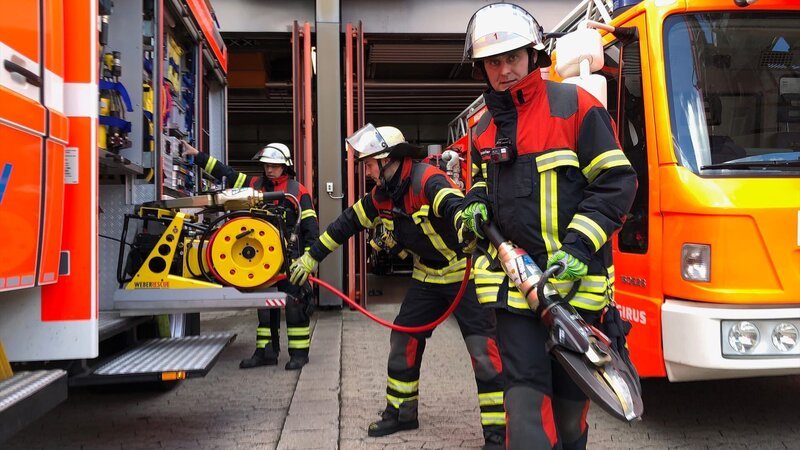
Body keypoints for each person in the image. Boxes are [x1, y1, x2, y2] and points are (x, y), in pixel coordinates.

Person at [459, 3, 638, 450]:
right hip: (514, 290)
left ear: (533, 55)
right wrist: (476, 204)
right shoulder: (483, 129)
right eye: (493, 62)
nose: (504, 70)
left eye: (512, 58)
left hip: (575, 290)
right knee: (524, 404)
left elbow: (617, 183)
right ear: (483, 68)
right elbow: (483, 184)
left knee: (570, 413)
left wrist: (578, 248)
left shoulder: (576, 107)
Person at [288, 124, 506, 449]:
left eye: (371, 164)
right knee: (403, 339)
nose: (368, 172)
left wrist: (464, 219)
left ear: (390, 160)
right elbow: (344, 225)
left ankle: (498, 434)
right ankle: (402, 413)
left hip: (466, 275)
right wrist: (310, 258)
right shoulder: (380, 197)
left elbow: (451, 203)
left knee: (484, 353)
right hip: (427, 278)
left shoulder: (427, 180)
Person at [182, 141, 319, 371]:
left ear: (285, 166)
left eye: (274, 165)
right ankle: (266, 353)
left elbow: (310, 228)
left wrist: (308, 260)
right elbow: (226, 173)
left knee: (296, 306)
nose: (269, 170)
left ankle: (299, 354)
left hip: (290, 260)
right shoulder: (253, 185)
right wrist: (198, 156)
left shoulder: (298, 191)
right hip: (261, 260)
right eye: (266, 165)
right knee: (264, 308)